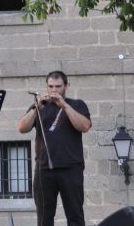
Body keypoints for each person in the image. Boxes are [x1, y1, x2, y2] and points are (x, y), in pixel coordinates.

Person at [17, 70, 91, 226]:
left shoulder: (77, 104)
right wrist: (37, 107)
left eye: (58, 86)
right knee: (44, 218)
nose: (54, 90)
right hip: (44, 169)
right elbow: (22, 128)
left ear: (66, 86)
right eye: (51, 87)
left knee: (75, 216)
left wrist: (64, 105)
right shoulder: (39, 107)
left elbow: (84, 126)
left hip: (71, 168)